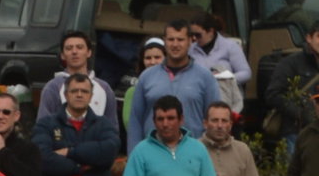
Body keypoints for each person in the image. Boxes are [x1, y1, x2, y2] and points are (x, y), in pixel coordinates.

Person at [127, 22, 220, 151]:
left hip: (191, 155)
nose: (175, 44)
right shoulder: (146, 77)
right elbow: (135, 121)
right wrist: (134, 156)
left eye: (180, 39)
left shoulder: (205, 77)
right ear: (164, 41)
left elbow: (214, 119)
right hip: (153, 153)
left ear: (190, 41)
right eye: (171, 39)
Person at [36, 30, 119, 121]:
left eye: (79, 47)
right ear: (62, 55)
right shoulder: (53, 87)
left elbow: (112, 129)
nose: (74, 52)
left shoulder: (104, 88)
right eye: (69, 48)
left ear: (89, 53)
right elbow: (42, 127)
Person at [264, 23, 319, 145]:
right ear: (309, 38)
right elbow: (273, 95)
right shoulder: (291, 63)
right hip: (296, 132)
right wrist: (300, 113)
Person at [189, 12, 252, 114]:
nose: (194, 39)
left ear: (211, 31)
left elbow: (246, 73)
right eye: (192, 35)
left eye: (198, 35)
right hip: (200, 102)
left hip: (227, 101)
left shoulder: (230, 46)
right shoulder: (191, 50)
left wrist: (224, 77)